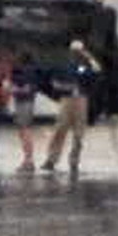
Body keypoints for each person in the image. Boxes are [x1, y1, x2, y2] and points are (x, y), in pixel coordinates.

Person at [42, 41, 95, 175]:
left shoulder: (84, 66)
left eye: (79, 51)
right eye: (74, 51)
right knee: (60, 129)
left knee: (79, 134)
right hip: (66, 99)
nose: (76, 54)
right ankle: (51, 159)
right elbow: (53, 81)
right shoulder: (64, 66)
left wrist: (89, 57)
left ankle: (74, 160)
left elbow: (96, 71)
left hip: (81, 100)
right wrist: (63, 88)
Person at [10, 57, 39, 172]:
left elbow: (27, 89)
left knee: (25, 131)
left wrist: (14, 89)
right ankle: (28, 159)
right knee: (23, 131)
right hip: (25, 102)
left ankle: (29, 160)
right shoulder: (32, 72)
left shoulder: (25, 73)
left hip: (24, 103)